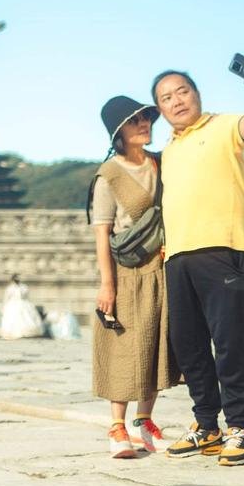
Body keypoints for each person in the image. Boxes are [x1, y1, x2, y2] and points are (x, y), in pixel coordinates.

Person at [153, 64, 244, 467]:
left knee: (227, 344)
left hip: (222, 251)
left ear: (196, 94)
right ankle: (206, 424)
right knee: (188, 346)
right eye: (166, 98)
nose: (176, 101)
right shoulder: (168, 150)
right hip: (177, 257)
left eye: (182, 91)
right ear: (161, 109)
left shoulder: (225, 127)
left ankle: (239, 427)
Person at [88, 95, 177, 458]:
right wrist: (107, 285)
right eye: (135, 120)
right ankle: (116, 426)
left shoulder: (159, 165)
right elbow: (101, 234)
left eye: (146, 118)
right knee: (123, 348)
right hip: (125, 272)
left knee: (154, 345)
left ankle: (145, 422)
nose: (145, 124)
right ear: (118, 132)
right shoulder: (108, 176)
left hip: (160, 269)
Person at [0, 274, 46, 340]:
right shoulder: (23, 287)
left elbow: (6, 298)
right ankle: (23, 332)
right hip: (22, 303)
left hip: (14, 304)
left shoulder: (11, 288)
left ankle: (18, 332)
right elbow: (26, 297)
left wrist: (4, 306)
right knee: (23, 318)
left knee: (15, 319)